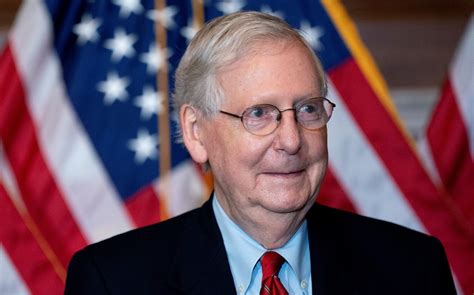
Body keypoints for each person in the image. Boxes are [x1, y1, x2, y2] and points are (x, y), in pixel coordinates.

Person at [65, 11, 456, 295]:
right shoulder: (112, 281)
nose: (291, 140)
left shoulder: (412, 269)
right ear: (196, 132)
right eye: (259, 114)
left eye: (307, 109)